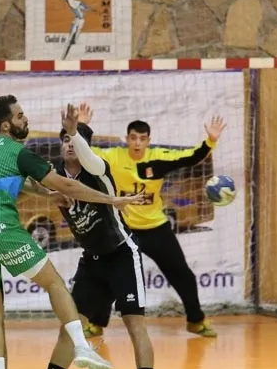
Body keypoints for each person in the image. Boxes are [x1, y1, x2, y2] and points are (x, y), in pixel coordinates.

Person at [0, 95, 148, 369]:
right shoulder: (20, 152)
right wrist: (114, 199)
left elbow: (15, 183)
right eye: (20, 115)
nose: (25, 119)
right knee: (54, 282)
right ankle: (81, 346)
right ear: (6, 125)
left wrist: (46, 194)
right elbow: (61, 184)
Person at [23, 104, 158, 369]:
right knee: (70, 327)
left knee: (135, 325)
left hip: (122, 256)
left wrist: (75, 130)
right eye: (64, 140)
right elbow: (29, 181)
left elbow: (87, 154)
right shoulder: (56, 177)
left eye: (75, 140)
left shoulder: (98, 170)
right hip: (92, 262)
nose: (69, 143)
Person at [81, 106, 226, 338]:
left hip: (155, 227)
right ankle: (96, 324)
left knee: (182, 273)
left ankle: (196, 320)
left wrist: (210, 141)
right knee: (110, 275)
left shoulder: (158, 158)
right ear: (127, 139)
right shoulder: (113, 157)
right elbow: (84, 152)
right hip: (125, 230)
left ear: (149, 140)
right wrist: (82, 126)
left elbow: (191, 157)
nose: (137, 143)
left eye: (142, 138)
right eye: (133, 138)